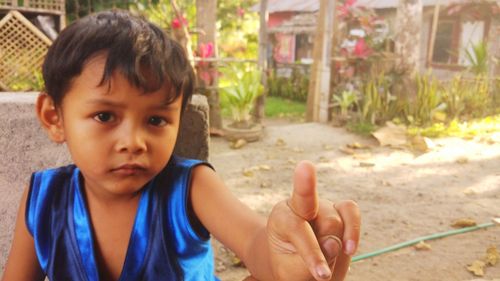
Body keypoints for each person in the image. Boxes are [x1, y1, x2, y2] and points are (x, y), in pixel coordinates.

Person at [1, 10, 360, 281]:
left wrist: (285, 255)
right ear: (53, 117)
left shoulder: (189, 188)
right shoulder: (43, 198)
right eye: (105, 117)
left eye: (156, 120)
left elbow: (255, 243)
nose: (133, 142)